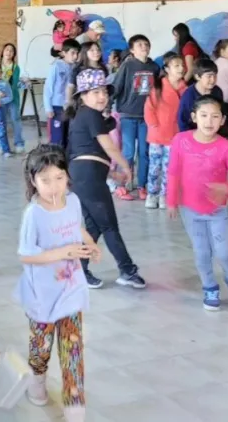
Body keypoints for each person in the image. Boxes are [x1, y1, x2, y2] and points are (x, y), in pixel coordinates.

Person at [17, 145, 95, 422]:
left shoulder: (72, 201)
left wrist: (90, 244)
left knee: (72, 350)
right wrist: (65, 253)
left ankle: (75, 410)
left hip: (70, 290)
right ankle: (37, 382)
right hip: (41, 293)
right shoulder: (33, 214)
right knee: (41, 346)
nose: (54, 186)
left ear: (67, 177)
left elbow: (77, 227)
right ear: (33, 181)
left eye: (59, 178)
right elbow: (26, 254)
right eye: (45, 180)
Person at [166, 95, 228, 311]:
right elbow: (174, 172)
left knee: (223, 252)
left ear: (222, 120)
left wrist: (227, 189)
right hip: (190, 209)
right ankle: (209, 287)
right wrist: (171, 201)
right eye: (204, 116)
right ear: (194, 117)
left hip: (217, 210)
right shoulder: (181, 140)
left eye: (215, 116)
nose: (209, 121)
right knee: (201, 252)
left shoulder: (225, 148)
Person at [64, 69, 142, 291]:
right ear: (83, 96)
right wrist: (126, 165)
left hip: (86, 176)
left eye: (104, 92)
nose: (101, 96)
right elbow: (107, 146)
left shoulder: (87, 116)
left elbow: (91, 155)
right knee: (109, 226)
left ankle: (78, 270)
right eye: (95, 92)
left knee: (94, 227)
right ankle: (128, 270)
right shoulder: (90, 114)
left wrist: (112, 173)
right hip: (88, 178)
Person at [110, 34, 158, 201]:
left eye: (146, 44)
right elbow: (116, 87)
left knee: (144, 153)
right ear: (132, 49)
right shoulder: (128, 65)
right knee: (128, 152)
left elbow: (157, 92)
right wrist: (107, 106)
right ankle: (122, 185)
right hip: (128, 115)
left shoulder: (154, 67)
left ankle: (141, 186)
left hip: (146, 117)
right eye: (139, 45)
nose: (144, 47)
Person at [143, 55, 187, 211]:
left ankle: (164, 195)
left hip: (175, 135)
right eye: (176, 65)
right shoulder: (159, 86)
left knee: (170, 168)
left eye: (181, 65)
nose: (181, 68)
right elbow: (149, 108)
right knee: (154, 166)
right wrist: (153, 124)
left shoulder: (185, 89)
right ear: (167, 69)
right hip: (157, 135)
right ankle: (152, 194)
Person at [43, 39, 80, 149]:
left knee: (67, 136)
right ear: (64, 53)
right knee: (57, 137)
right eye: (72, 53)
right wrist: (48, 108)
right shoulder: (56, 66)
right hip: (57, 107)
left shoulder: (75, 68)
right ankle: (56, 161)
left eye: (77, 53)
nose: (75, 56)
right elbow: (48, 87)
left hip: (69, 107)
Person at [177, 58, 223, 133]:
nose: (213, 79)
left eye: (215, 76)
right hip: (193, 134)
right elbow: (182, 120)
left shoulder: (217, 91)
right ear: (197, 77)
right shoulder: (188, 95)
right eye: (209, 76)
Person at [0, 43, 25, 153]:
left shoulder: (15, 67)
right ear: (3, 51)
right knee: (1, 121)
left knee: (15, 120)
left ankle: (19, 143)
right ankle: (1, 144)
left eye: (11, 51)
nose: (9, 52)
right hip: (0, 98)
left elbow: (14, 84)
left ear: (14, 54)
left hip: (12, 97)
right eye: (7, 50)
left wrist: (6, 93)